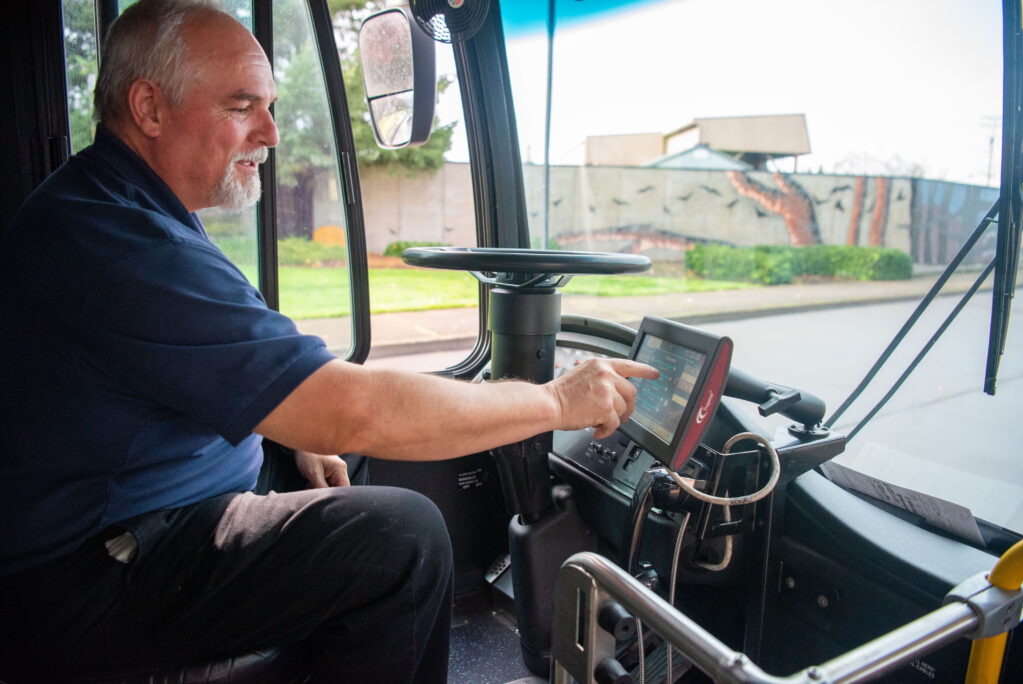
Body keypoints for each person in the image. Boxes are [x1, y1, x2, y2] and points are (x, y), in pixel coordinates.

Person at [0, 0, 658, 681]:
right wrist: (556, 402)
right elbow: (357, 410)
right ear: (150, 108)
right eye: (241, 106)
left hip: (146, 513)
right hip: (90, 575)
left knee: (344, 467)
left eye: (272, 106)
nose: (272, 132)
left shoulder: (127, 207)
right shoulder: (119, 248)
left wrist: (290, 423)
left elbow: (233, 361)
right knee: (402, 538)